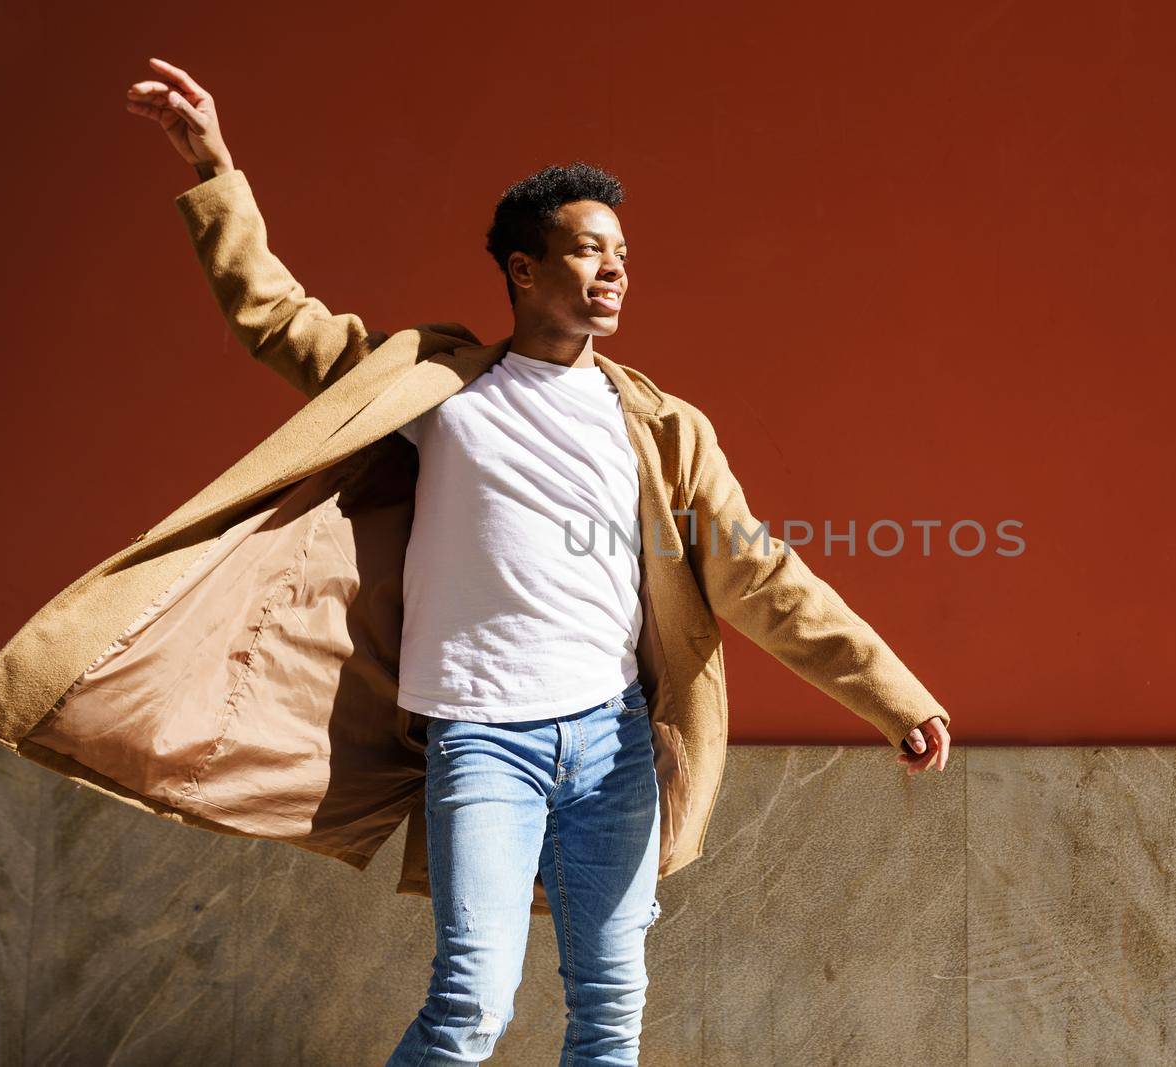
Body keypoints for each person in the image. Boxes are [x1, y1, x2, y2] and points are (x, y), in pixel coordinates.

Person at [124, 56, 951, 1065]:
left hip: (612, 748)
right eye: (588, 250)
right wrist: (215, 169)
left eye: (623, 256)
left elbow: (761, 573)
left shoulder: (658, 427)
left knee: (609, 1013)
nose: (613, 271)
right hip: (481, 740)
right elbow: (275, 316)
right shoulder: (434, 390)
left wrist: (894, 695)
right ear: (523, 269)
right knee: (471, 1003)